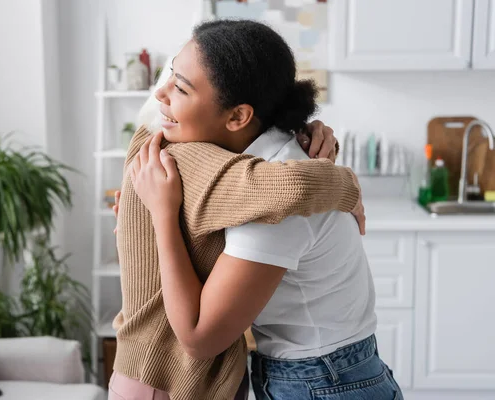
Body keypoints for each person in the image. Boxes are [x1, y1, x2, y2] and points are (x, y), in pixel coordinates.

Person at [128, 20, 403, 400]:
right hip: (324, 374)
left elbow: (198, 337)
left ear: (238, 117)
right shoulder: (252, 157)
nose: (160, 93)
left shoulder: (269, 200)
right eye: (171, 75)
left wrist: (162, 215)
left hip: (323, 383)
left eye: (180, 87)